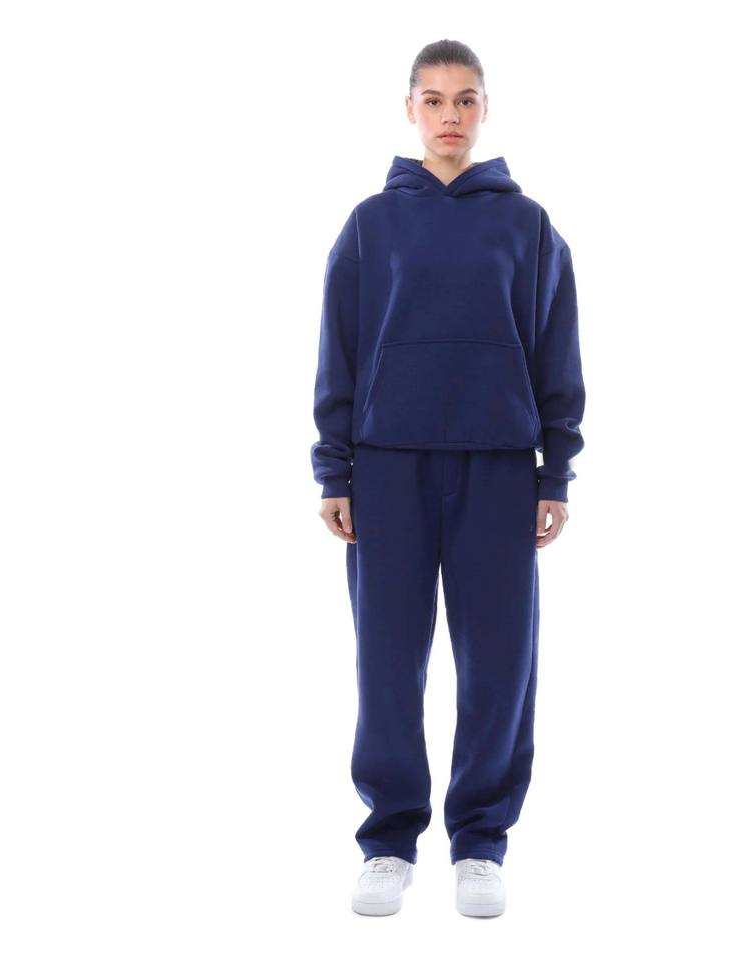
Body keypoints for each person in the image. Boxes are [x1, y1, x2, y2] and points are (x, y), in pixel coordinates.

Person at [310, 39, 586, 918]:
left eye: (465, 99)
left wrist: (555, 471)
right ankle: (390, 840)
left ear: (485, 109)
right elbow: (340, 350)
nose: (450, 116)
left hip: (498, 470)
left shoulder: (527, 225)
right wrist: (334, 468)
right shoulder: (370, 225)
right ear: (410, 110)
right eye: (433, 100)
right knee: (388, 662)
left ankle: (480, 843)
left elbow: (555, 350)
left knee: (499, 662)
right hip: (387, 469)